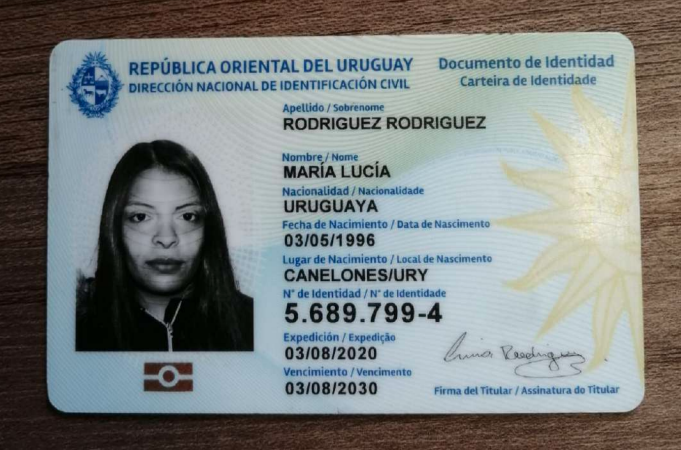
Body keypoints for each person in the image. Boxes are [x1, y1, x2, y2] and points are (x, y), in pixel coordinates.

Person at [76, 140, 253, 351]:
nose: (166, 238)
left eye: (187, 216)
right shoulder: (76, 333)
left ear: (208, 228)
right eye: (141, 217)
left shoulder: (256, 326)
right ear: (115, 228)